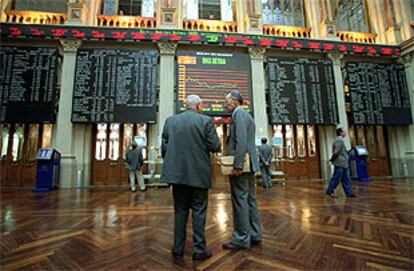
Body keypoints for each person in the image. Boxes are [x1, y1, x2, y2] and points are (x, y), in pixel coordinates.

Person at [161, 94, 221, 261]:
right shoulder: (206, 121)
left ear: (185, 106)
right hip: (199, 174)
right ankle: (199, 249)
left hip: (177, 174)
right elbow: (215, 146)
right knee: (199, 212)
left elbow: (164, 147)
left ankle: (178, 248)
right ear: (199, 106)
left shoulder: (170, 121)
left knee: (180, 211)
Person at [222, 91, 262, 251]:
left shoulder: (238, 115)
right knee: (250, 200)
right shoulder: (247, 115)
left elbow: (241, 141)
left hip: (242, 166)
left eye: (226, 102)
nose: (225, 105)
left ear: (235, 101)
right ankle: (254, 234)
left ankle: (240, 238)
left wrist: (237, 165)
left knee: (240, 201)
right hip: (250, 164)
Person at [326, 127, 357, 198]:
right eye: (344, 131)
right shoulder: (338, 141)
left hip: (343, 163)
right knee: (336, 178)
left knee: (346, 179)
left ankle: (349, 193)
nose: (345, 133)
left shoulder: (340, 140)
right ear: (340, 133)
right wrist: (332, 159)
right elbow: (336, 152)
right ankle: (330, 191)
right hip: (340, 163)